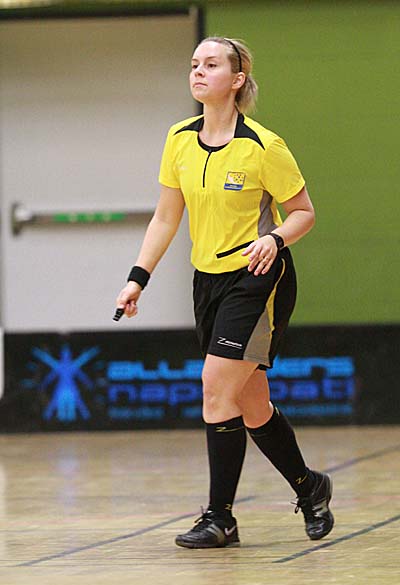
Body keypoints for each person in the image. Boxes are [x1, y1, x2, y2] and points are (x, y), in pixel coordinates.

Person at [116, 37, 334, 549]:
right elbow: (166, 217)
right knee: (252, 403)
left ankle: (221, 518)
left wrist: (274, 239)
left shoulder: (263, 146)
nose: (198, 71)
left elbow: (303, 213)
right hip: (207, 280)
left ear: (237, 80)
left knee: (215, 387)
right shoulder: (178, 139)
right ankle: (310, 486)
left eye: (211, 64)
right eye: (194, 63)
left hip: (257, 275)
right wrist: (137, 277)